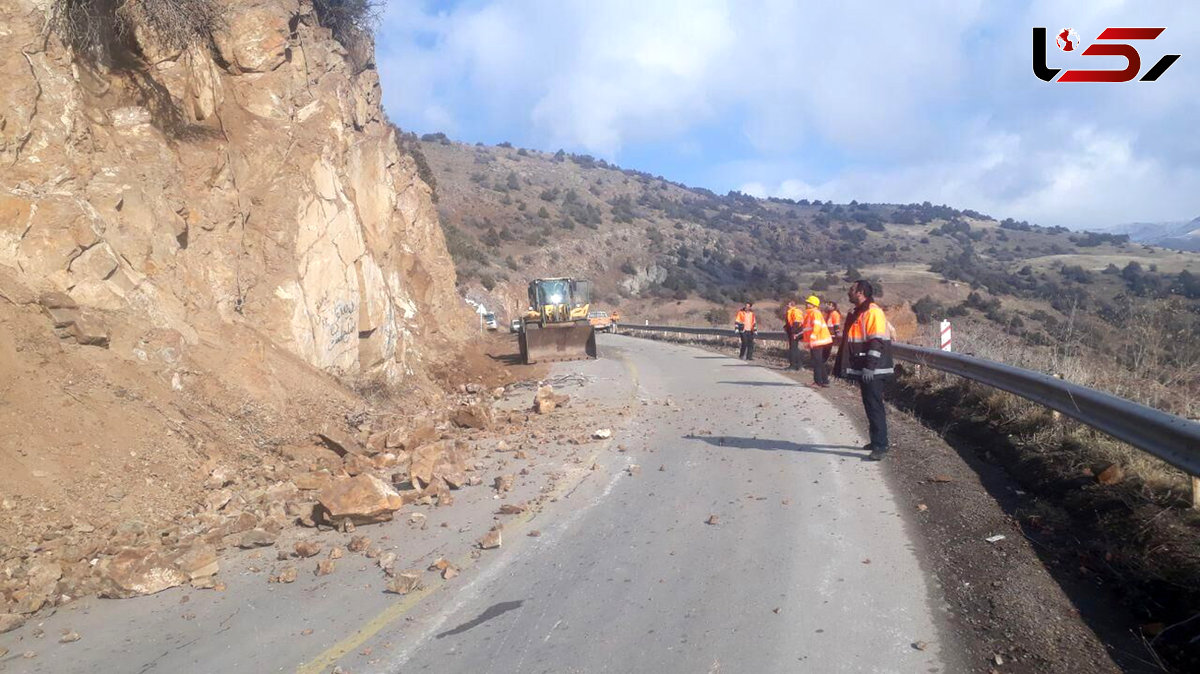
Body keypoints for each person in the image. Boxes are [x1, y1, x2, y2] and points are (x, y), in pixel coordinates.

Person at [833, 280, 894, 461]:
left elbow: (876, 341)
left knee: (874, 406)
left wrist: (869, 366)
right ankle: (876, 441)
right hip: (867, 368)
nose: (848, 293)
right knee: (870, 404)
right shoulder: (860, 312)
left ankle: (881, 446)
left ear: (860, 292)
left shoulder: (872, 312)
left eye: (851, 290)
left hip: (874, 369)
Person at [800, 295, 832, 386]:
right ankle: (824, 381)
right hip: (818, 340)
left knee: (817, 361)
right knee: (819, 361)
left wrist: (812, 339)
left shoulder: (814, 313)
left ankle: (818, 382)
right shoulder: (811, 313)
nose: (806, 304)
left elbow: (816, 327)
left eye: (808, 303)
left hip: (817, 341)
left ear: (813, 305)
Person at [784, 299, 804, 370]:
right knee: (794, 348)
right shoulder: (790, 311)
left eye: (788, 304)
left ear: (791, 305)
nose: (787, 305)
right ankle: (798, 365)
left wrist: (793, 332)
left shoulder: (795, 311)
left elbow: (797, 322)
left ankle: (793, 366)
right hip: (793, 331)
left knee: (793, 349)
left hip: (796, 331)